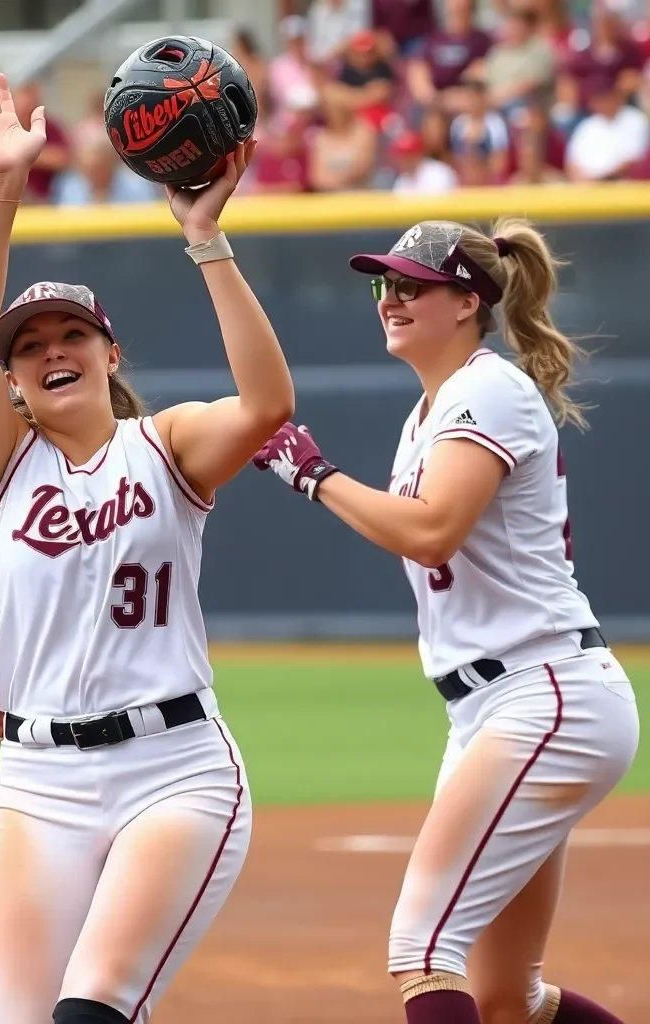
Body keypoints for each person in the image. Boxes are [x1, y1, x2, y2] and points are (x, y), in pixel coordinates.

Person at [0, 71, 295, 1024]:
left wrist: (206, 240)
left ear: (109, 352)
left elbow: (265, 406)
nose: (52, 349)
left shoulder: (167, 445)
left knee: (90, 1013)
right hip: (37, 780)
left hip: (171, 769)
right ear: (12, 377)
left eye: (73, 334)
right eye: (32, 343)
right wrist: (3, 183)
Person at [252, 218, 639, 1024]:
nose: (389, 300)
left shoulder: (485, 387)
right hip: (499, 706)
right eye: (382, 286)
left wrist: (314, 475)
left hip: (544, 696)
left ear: (467, 301)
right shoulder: (428, 411)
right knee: (507, 998)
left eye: (410, 286)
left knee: (423, 950)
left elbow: (431, 529)